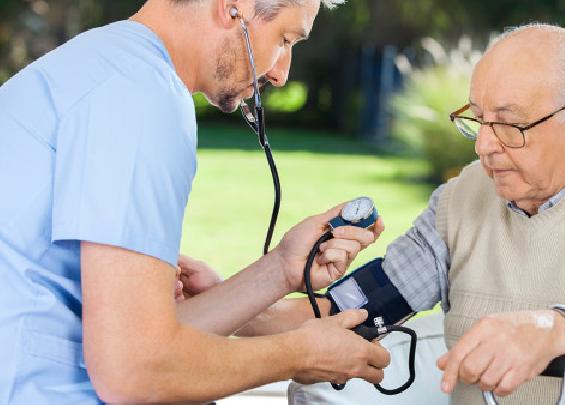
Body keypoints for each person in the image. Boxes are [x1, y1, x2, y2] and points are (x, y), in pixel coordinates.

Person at [243, 24, 565, 404]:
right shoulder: (462, 197)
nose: (486, 146)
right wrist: (232, 310)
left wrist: (558, 329)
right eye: (478, 120)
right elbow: (365, 304)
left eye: (510, 124)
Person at [0, 0, 392, 403]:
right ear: (233, 9)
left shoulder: (107, 66)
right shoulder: (142, 99)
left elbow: (140, 342)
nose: (280, 73)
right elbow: (134, 371)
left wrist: (280, 270)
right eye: (285, 39)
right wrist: (299, 353)